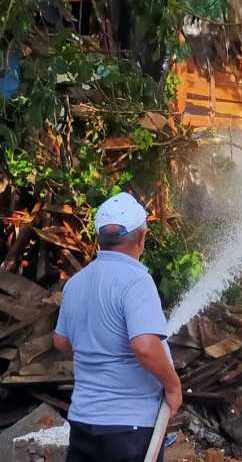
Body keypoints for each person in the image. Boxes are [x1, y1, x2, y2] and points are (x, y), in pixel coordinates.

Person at [53, 192, 182, 462]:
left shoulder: (76, 283)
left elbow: (61, 343)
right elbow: (145, 346)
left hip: (82, 423)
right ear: (141, 238)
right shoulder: (137, 281)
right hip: (128, 429)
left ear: (100, 239)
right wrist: (172, 386)